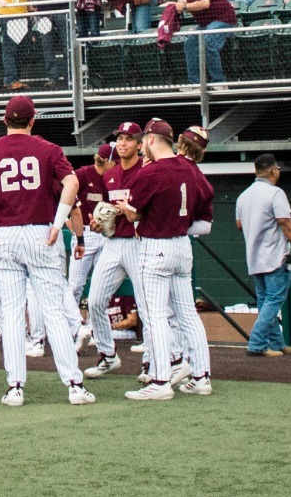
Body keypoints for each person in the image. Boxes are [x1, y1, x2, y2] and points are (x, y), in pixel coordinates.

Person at [0, 95, 95, 407]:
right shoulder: (48, 148)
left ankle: (15, 387)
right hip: (40, 231)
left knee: (11, 312)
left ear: (5, 120)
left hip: (4, 233)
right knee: (54, 312)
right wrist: (59, 223)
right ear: (32, 121)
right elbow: (72, 183)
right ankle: (74, 385)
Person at [114, 119, 214, 399]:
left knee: (155, 315)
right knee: (187, 314)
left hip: (156, 245)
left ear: (150, 140)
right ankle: (201, 376)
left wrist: (125, 208)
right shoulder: (191, 170)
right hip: (182, 245)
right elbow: (205, 218)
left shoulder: (150, 172)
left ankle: (159, 381)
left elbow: (133, 214)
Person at [83, 121, 147, 378]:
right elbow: (108, 214)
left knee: (147, 304)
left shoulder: (146, 170)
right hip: (112, 243)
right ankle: (108, 355)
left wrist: (127, 211)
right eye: (119, 138)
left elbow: (145, 210)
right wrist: (99, 224)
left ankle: (152, 362)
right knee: (95, 300)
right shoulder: (110, 174)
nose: (122, 143)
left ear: (139, 145)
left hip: (138, 242)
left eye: (128, 139)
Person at [235, 154, 291, 357]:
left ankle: (277, 343)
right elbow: (285, 222)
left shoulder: (243, 195)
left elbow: (239, 225)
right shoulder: (275, 193)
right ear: (274, 171)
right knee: (274, 300)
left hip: (254, 256)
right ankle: (256, 344)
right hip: (274, 255)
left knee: (266, 301)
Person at [66, 143, 114, 347]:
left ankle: (95, 330)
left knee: (100, 286)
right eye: (116, 161)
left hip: (106, 233)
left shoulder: (115, 177)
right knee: (75, 285)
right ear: (105, 160)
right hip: (84, 231)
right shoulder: (84, 174)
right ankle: (73, 329)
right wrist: (67, 220)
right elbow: (65, 192)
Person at [170, 0, 236, 84]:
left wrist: (185, 6)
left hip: (222, 18)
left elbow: (205, 3)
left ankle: (219, 82)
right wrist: (181, 2)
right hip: (208, 21)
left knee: (208, 44)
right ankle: (195, 83)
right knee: (190, 45)